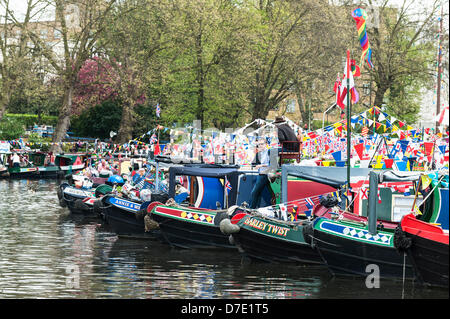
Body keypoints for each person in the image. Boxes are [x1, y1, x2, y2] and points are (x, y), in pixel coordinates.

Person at [249, 137, 271, 209]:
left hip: (265, 174)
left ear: (266, 144)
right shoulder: (259, 154)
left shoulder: (269, 152)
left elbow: (272, 165)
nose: (260, 146)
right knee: (264, 194)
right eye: (259, 145)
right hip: (262, 174)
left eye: (262, 144)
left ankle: (251, 208)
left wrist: (261, 165)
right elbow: (253, 164)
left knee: (254, 193)